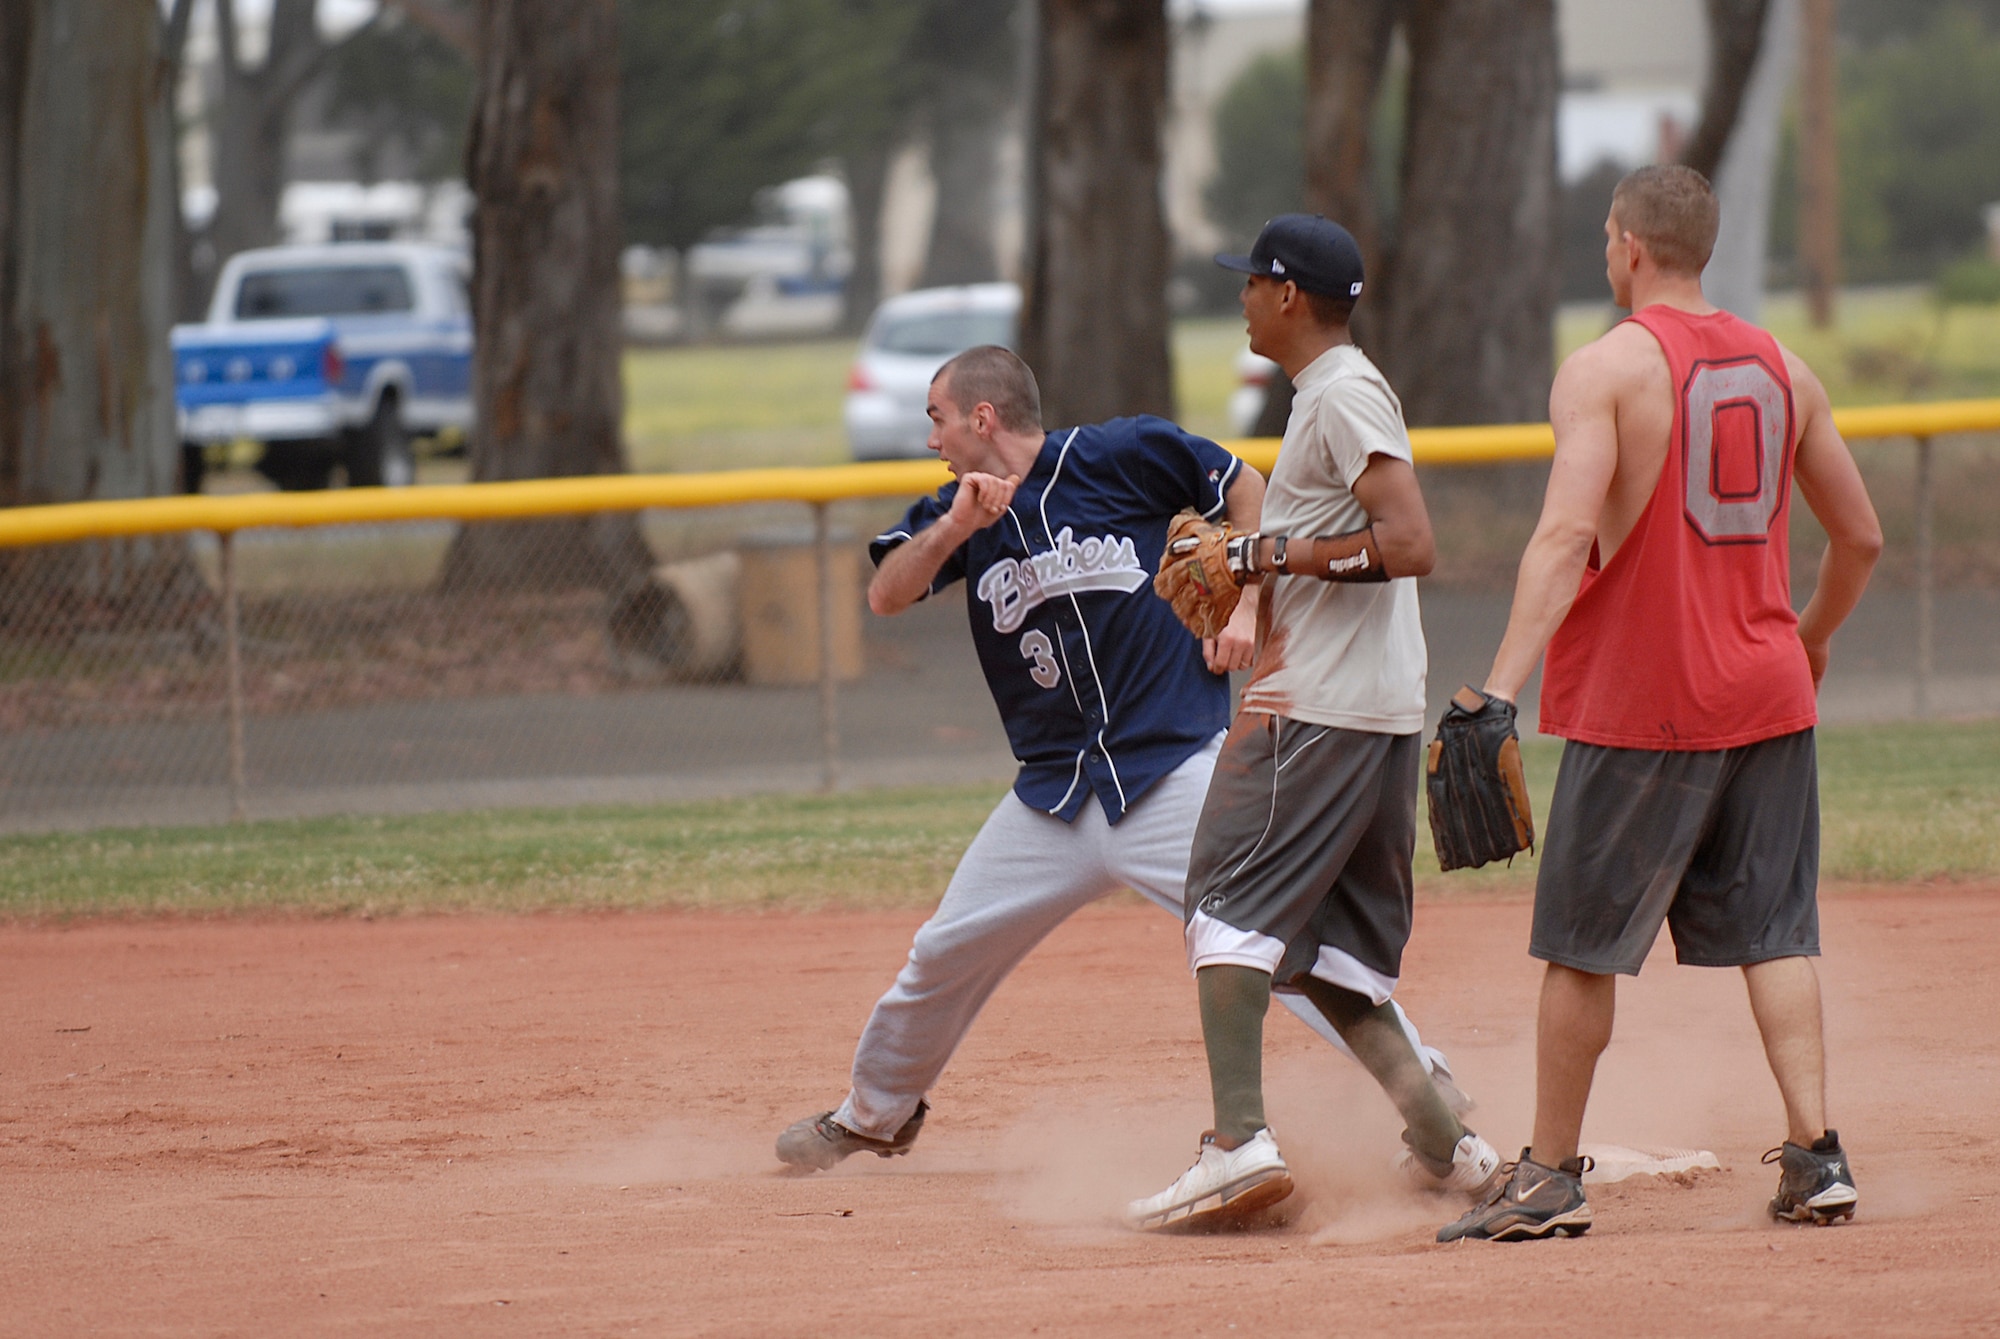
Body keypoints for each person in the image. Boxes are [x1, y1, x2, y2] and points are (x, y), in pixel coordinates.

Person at [775, 343, 1469, 1172]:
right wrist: (960, 523)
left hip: (1173, 769)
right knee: (945, 950)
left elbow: (1246, 487)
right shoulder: (955, 508)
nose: (933, 438)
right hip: (1054, 797)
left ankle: (1429, 1089)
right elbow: (886, 593)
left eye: (938, 417)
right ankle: (874, 1112)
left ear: (982, 417)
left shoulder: (1121, 453)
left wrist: (1249, 602)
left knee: (1275, 938)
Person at [1439, 165, 1882, 1242]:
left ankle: (1545, 1176)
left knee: (1581, 946)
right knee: (1776, 932)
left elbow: (1558, 536)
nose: (1604, 249)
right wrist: (1808, 637)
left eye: (1604, 234)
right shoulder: (1786, 368)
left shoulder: (1603, 370)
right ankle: (1816, 1155)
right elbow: (1861, 537)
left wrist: (1496, 686)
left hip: (1645, 702)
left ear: (1630, 246)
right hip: (1767, 692)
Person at [1126, 216, 1501, 1233]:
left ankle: (1236, 1141)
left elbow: (1407, 540)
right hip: (1365, 712)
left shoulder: (1340, 391)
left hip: (1314, 710)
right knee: (1326, 951)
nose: (1240, 297)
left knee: (1222, 906)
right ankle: (1442, 1138)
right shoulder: (1328, 395)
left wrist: (1257, 559)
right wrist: (1261, 558)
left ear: (1286, 295)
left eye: (1249, 282)